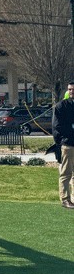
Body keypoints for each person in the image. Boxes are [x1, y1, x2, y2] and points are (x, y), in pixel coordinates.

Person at [51, 81, 74, 209]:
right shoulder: (61, 106)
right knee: (66, 173)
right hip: (68, 144)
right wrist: (60, 142)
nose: (71, 91)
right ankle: (65, 199)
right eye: (70, 89)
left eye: (73, 89)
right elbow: (56, 127)